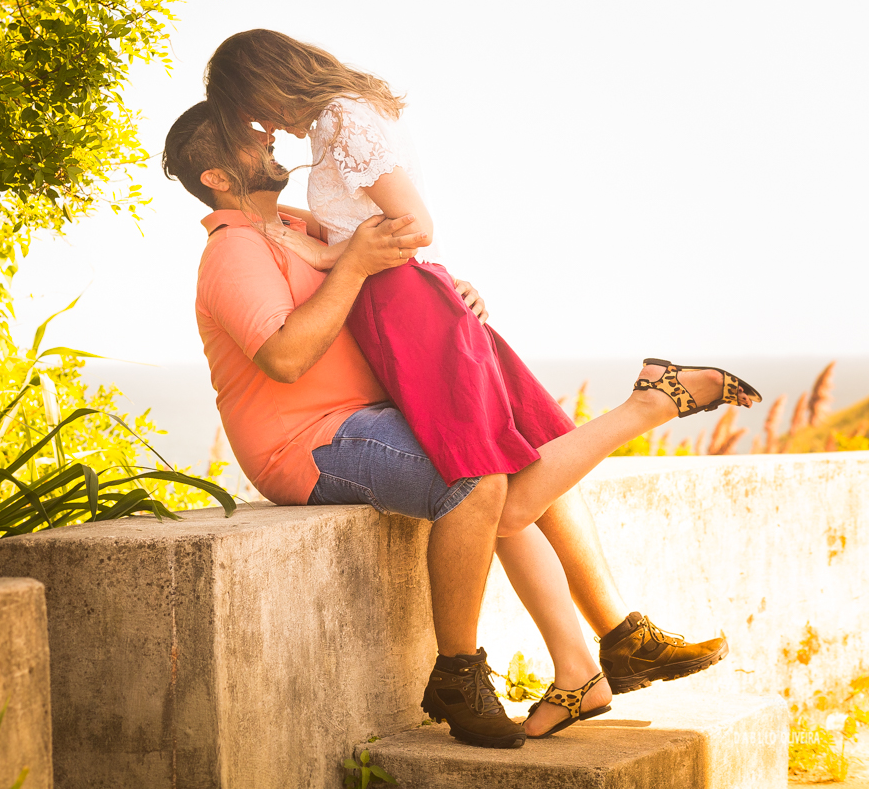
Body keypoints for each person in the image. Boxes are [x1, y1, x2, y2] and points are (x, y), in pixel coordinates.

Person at [163, 99, 758, 749]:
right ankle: (459, 672)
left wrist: (453, 291)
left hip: (374, 413)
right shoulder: (233, 252)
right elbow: (284, 356)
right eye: (247, 137)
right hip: (309, 441)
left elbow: (391, 279)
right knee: (477, 478)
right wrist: (358, 262)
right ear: (217, 176)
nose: (268, 135)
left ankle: (586, 665)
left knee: (514, 448)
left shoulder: (298, 224)